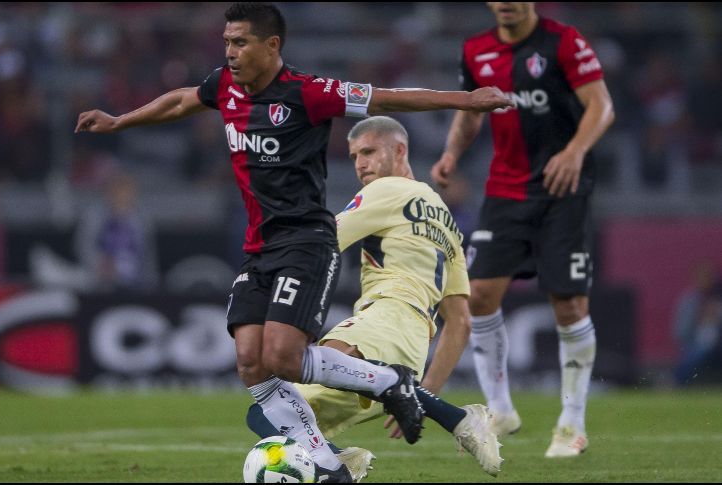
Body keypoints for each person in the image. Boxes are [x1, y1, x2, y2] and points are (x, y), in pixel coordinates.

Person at [76, 3, 514, 481]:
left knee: (284, 357)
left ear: (272, 46)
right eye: (226, 42)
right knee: (251, 362)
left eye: (240, 43)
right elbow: (181, 100)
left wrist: (464, 101)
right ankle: (329, 467)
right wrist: (120, 121)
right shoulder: (223, 84)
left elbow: (387, 99)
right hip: (259, 247)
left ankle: (391, 383)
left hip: (307, 242)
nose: (230, 52)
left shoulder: (310, 93)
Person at [245, 116, 502, 480]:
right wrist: (422, 394)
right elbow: (459, 321)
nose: (360, 164)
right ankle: (340, 463)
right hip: (412, 345)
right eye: (353, 156)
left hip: (386, 315)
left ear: (399, 150)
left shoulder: (387, 190)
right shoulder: (445, 218)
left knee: (293, 375)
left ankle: (458, 419)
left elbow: (321, 244)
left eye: (368, 151)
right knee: (270, 412)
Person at [431, 2, 615, 458]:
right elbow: (471, 112)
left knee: (569, 304)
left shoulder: (564, 42)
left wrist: (574, 151)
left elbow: (602, 105)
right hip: (505, 190)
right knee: (478, 296)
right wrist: (452, 154)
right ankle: (500, 409)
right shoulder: (476, 50)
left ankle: (572, 424)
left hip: (562, 189)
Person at [74, 172, 159, 293]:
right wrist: (99, 263)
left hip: (136, 279)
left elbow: (148, 254)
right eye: (118, 191)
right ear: (109, 193)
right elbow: (84, 246)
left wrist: (151, 282)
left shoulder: (142, 218)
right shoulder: (94, 216)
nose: (123, 195)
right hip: (101, 279)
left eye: (127, 191)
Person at [673, 261, 722, 386]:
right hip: (695, 342)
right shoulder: (690, 300)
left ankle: (674, 380)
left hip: (717, 343)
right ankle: (676, 380)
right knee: (700, 350)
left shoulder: (717, 299)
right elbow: (681, 330)